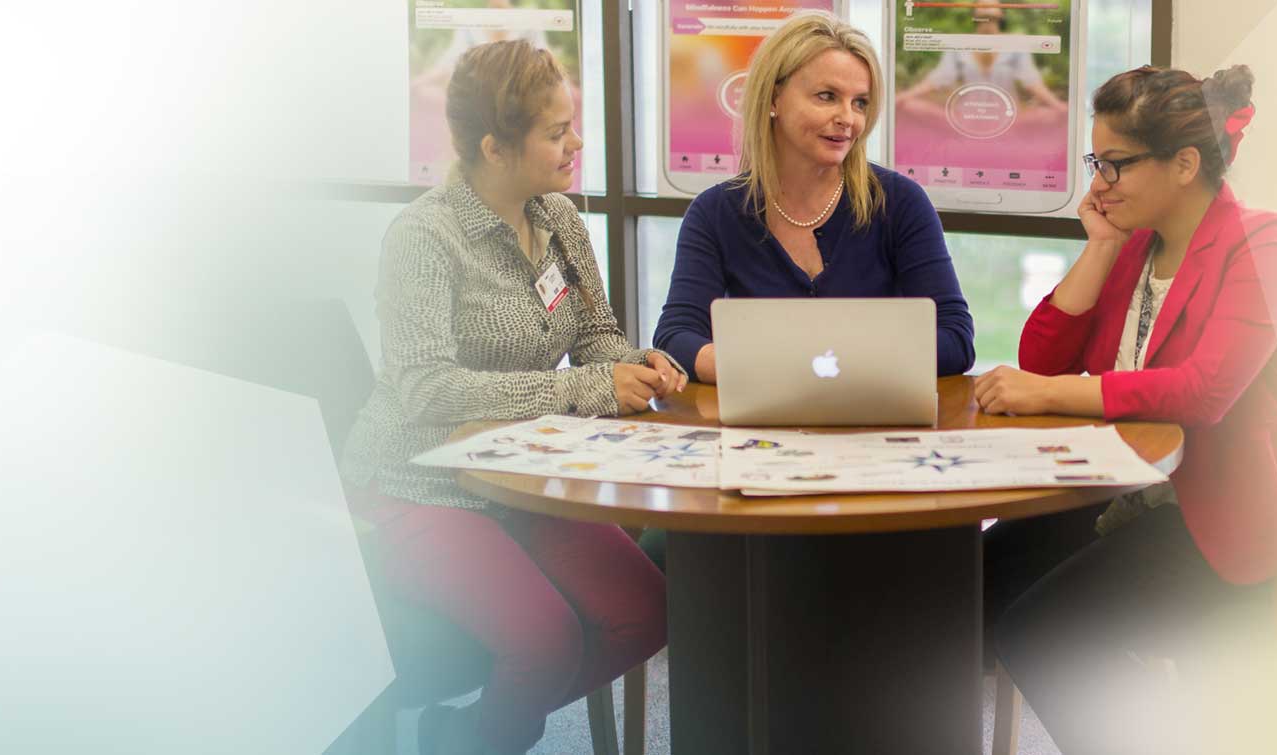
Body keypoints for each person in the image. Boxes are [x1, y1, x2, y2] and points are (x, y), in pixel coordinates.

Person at [972, 64, 1277, 753]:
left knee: (1040, 635)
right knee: (965, 595)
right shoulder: (1134, 244)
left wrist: (1050, 395)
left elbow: (1204, 389)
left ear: (1183, 164)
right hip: (1128, 486)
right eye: (1094, 162)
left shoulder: (1266, 243)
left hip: (1229, 511)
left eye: (1114, 164)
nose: (1098, 183)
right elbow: (1043, 355)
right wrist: (1100, 247)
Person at [340, 39, 681, 755]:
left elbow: (595, 338)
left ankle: (463, 734)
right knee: (543, 637)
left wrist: (639, 364)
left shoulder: (557, 218)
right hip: (416, 479)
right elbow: (427, 390)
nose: (576, 143)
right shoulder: (423, 240)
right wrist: (589, 387)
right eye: (557, 132)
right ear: (495, 148)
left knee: (644, 611)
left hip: (517, 474)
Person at [651, 12, 976, 385]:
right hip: (763, 429)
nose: (848, 119)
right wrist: (755, 368)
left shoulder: (900, 202)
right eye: (827, 97)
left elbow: (955, 339)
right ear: (774, 98)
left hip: (871, 427)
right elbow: (675, 337)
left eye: (860, 103)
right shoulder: (715, 212)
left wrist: (830, 365)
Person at [893, 0, 1069, 121]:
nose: (986, 7)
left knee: (1050, 115)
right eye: (982, 4)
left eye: (992, 4)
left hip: (1010, 119)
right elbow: (938, 79)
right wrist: (902, 98)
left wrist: (1058, 107)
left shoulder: (1015, 42)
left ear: (1001, 12)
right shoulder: (959, 43)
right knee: (911, 106)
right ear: (975, 11)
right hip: (965, 118)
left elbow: (1032, 82)